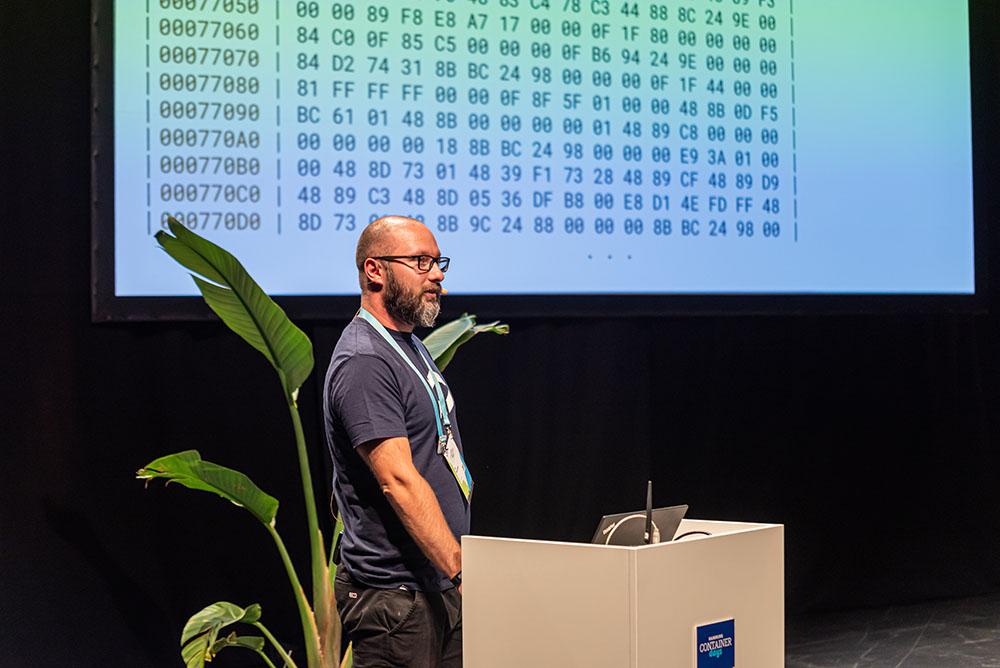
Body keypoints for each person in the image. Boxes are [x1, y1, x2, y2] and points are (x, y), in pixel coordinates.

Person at [324, 216, 471, 667]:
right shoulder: (365, 360)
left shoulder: (406, 344)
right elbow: (398, 481)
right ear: (375, 270)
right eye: (421, 262)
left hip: (433, 584)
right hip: (396, 598)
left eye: (438, 262)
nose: (437, 274)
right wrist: (461, 569)